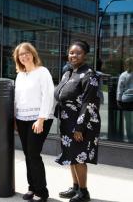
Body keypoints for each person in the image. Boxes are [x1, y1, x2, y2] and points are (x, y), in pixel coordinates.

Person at [54, 40, 100, 202]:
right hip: (67, 121)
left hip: (81, 123)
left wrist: (80, 127)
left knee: (79, 156)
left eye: (78, 53)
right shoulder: (68, 72)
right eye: (72, 52)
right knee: (71, 155)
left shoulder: (89, 74)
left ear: (85, 55)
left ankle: (84, 192)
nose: (74, 56)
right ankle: (75, 187)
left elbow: (89, 102)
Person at [13, 42, 55, 202]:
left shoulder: (42, 72)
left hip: (39, 119)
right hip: (22, 119)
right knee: (27, 154)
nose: (24, 56)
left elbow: (48, 96)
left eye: (26, 53)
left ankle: (42, 192)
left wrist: (41, 119)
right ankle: (32, 187)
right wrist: (15, 119)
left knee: (33, 154)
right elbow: (17, 99)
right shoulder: (20, 75)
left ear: (32, 54)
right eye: (20, 54)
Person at [117, 57, 133, 142]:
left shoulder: (123, 75)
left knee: (128, 121)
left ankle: (130, 138)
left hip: (126, 100)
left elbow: (120, 89)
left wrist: (118, 100)